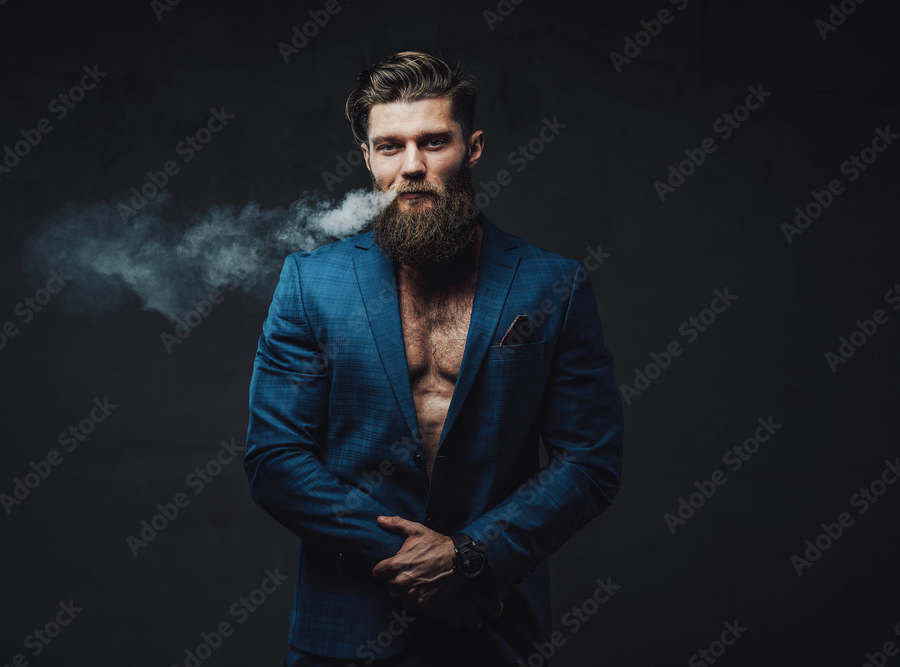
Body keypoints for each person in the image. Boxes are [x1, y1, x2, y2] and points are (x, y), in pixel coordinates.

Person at [244, 50, 624, 667]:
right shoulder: (310, 284)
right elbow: (274, 460)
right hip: (345, 634)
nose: (412, 167)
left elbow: (590, 461)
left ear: (472, 147)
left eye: (434, 142)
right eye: (390, 147)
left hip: (493, 628)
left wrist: (472, 557)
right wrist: (425, 570)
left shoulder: (552, 284)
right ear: (367, 158)